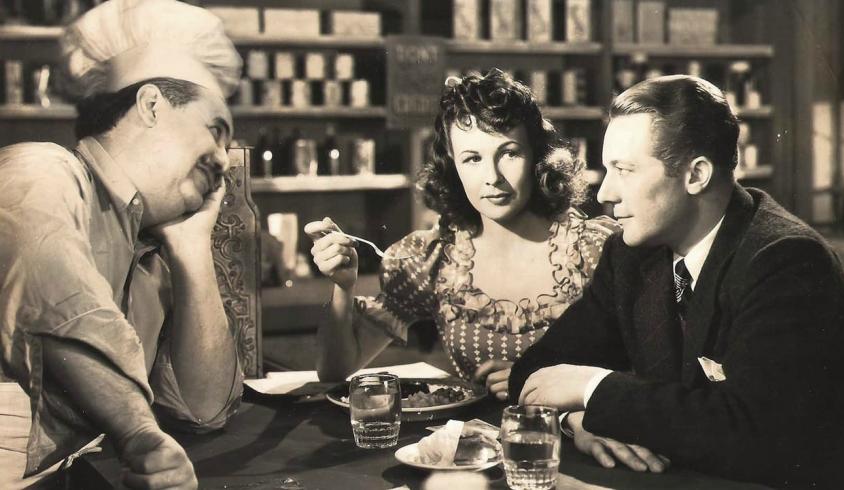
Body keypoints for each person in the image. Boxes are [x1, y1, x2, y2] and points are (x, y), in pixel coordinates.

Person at [509, 75, 844, 487]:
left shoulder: (786, 261)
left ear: (696, 175)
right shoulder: (630, 254)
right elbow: (536, 372)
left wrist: (592, 388)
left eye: (624, 170)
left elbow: (759, 436)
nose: (605, 193)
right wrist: (579, 420)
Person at [0, 1, 244, 488]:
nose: (224, 159)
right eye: (215, 130)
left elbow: (203, 410)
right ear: (151, 105)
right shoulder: (39, 171)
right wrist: (138, 433)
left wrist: (192, 247)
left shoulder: (148, 246)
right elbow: (58, 304)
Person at [304, 69, 619, 399]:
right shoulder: (434, 260)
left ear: (536, 157)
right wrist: (344, 286)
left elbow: (647, 379)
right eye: (472, 159)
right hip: (473, 432)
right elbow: (334, 370)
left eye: (509, 153)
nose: (492, 177)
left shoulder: (594, 251)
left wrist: (548, 380)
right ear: (453, 166)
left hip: (581, 427)